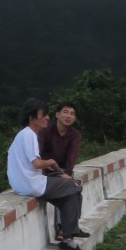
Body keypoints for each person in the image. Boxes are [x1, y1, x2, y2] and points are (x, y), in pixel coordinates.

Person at [6, 99, 87, 250]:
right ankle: (69, 233)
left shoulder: (24, 134)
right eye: (43, 115)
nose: (47, 118)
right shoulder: (30, 134)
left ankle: (68, 238)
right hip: (32, 184)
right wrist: (50, 162)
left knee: (68, 197)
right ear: (32, 117)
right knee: (74, 186)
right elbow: (37, 163)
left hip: (24, 183)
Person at [38, 102, 90, 241]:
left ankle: (72, 226)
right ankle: (63, 228)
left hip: (62, 171)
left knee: (75, 188)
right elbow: (38, 153)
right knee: (66, 190)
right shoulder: (45, 131)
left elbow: (72, 156)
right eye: (65, 112)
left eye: (72, 114)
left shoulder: (75, 135)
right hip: (45, 170)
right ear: (57, 114)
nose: (69, 116)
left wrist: (67, 173)